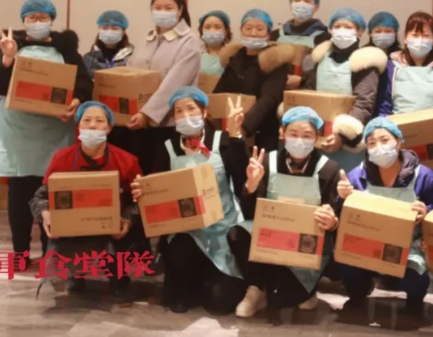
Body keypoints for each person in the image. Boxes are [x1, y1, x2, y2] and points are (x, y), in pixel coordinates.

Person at [0, 0, 93, 267]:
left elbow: (84, 82)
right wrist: (7, 58)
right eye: (31, 17)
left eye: (43, 18)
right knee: (19, 194)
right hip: (18, 130)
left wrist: (77, 100)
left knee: (52, 195)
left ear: (52, 20)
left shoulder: (67, 50)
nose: (37, 22)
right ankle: (20, 253)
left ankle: (49, 253)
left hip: (54, 132)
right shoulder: (11, 44)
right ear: (23, 21)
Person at [131, 87, 248, 314]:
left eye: (191, 109)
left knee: (219, 303)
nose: (185, 115)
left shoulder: (223, 141)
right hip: (186, 231)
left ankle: (216, 279)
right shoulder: (166, 149)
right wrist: (143, 193)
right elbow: (158, 193)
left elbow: (242, 179)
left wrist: (236, 136)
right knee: (179, 300)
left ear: (204, 112)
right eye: (179, 111)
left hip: (222, 229)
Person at [227, 107, 341, 317]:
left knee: (283, 300)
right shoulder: (267, 162)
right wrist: (251, 186)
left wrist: (332, 222)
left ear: (317, 137)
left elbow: (334, 221)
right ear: (282, 133)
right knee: (237, 232)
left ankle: (306, 290)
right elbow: (250, 214)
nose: (300, 141)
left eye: (307, 135)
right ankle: (257, 288)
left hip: (305, 249)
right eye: (293, 134)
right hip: (271, 242)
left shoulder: (329, 169)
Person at [30, 101, 142, 305]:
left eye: (99, 121)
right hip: (74, 227)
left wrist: (127, 220)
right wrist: (46, 215)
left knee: (125, 238)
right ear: (78, 126)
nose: (92, 125)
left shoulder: (126, 161)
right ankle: (75, 274)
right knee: (56, 231)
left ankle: (119, 279)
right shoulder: (62, 159)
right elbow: (40, 197)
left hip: (111, 226)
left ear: (109, 128)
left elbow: (141, 200)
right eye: (86, 120)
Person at [336, 117, 433, 312]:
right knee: (344, 261)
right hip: (368, 244)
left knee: (415, 278)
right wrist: (342, 197)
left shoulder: (423, 176)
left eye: (385, 140)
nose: (378, 147)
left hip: (409, 247)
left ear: (399, 141)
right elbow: (342, 216)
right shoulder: (357, 176)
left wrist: (427, 212)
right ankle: (358, 295)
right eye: (372, 143)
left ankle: (414, 301)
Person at [376, 11, 433, 199]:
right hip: (400, 153)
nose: (420, 40)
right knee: (404, 207)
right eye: (415, 34)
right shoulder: (391, 69)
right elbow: (383, 108)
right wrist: (384, 142)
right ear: (405, 38)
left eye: (425, 35)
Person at [125, 0, 201, 174]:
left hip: (168, 123)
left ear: (180, 10)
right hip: (138, 121)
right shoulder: (148, 38)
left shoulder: (189, 41)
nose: (162, 12)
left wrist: (147, 114)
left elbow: (173, 85)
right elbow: (130, 72)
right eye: (157, 8)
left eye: (169, 8)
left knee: (162, 175)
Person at [300, 8, 388, 172]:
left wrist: (341, 136)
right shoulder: (319, 57)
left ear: (359, 31)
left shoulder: (365, 61)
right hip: (317, 135)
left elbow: (364, 103)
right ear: (330, 29)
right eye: (337, 26)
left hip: (349, 142)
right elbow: (308, 92)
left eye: (348, 27)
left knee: (345, 182)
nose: (342, 31)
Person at [215, 8, 295, 152]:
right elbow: (219, 93)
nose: (253, 33)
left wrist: (244, 127)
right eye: (248, 28)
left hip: (261, 132)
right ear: (241, 30)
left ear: (268, 33)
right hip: (228, 129)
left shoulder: (275, 61)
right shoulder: (234, 58)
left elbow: (269, 99)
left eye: (259, 29)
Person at [270, 0, 331, 89]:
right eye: (297, 0)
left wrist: (302, 79)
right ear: (291, 4)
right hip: (275, 88)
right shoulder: (275, 35)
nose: (301, 4)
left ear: (316, 7)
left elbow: (326, 70)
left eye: (307, 1)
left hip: (307, 90)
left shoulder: (324, 38)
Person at [199, 10, 231, 76]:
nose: (212, 31)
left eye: (217, 27)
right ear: (201, 31)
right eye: (207, 27)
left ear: (226, 31)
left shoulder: (231, 55)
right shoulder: (195, 53)